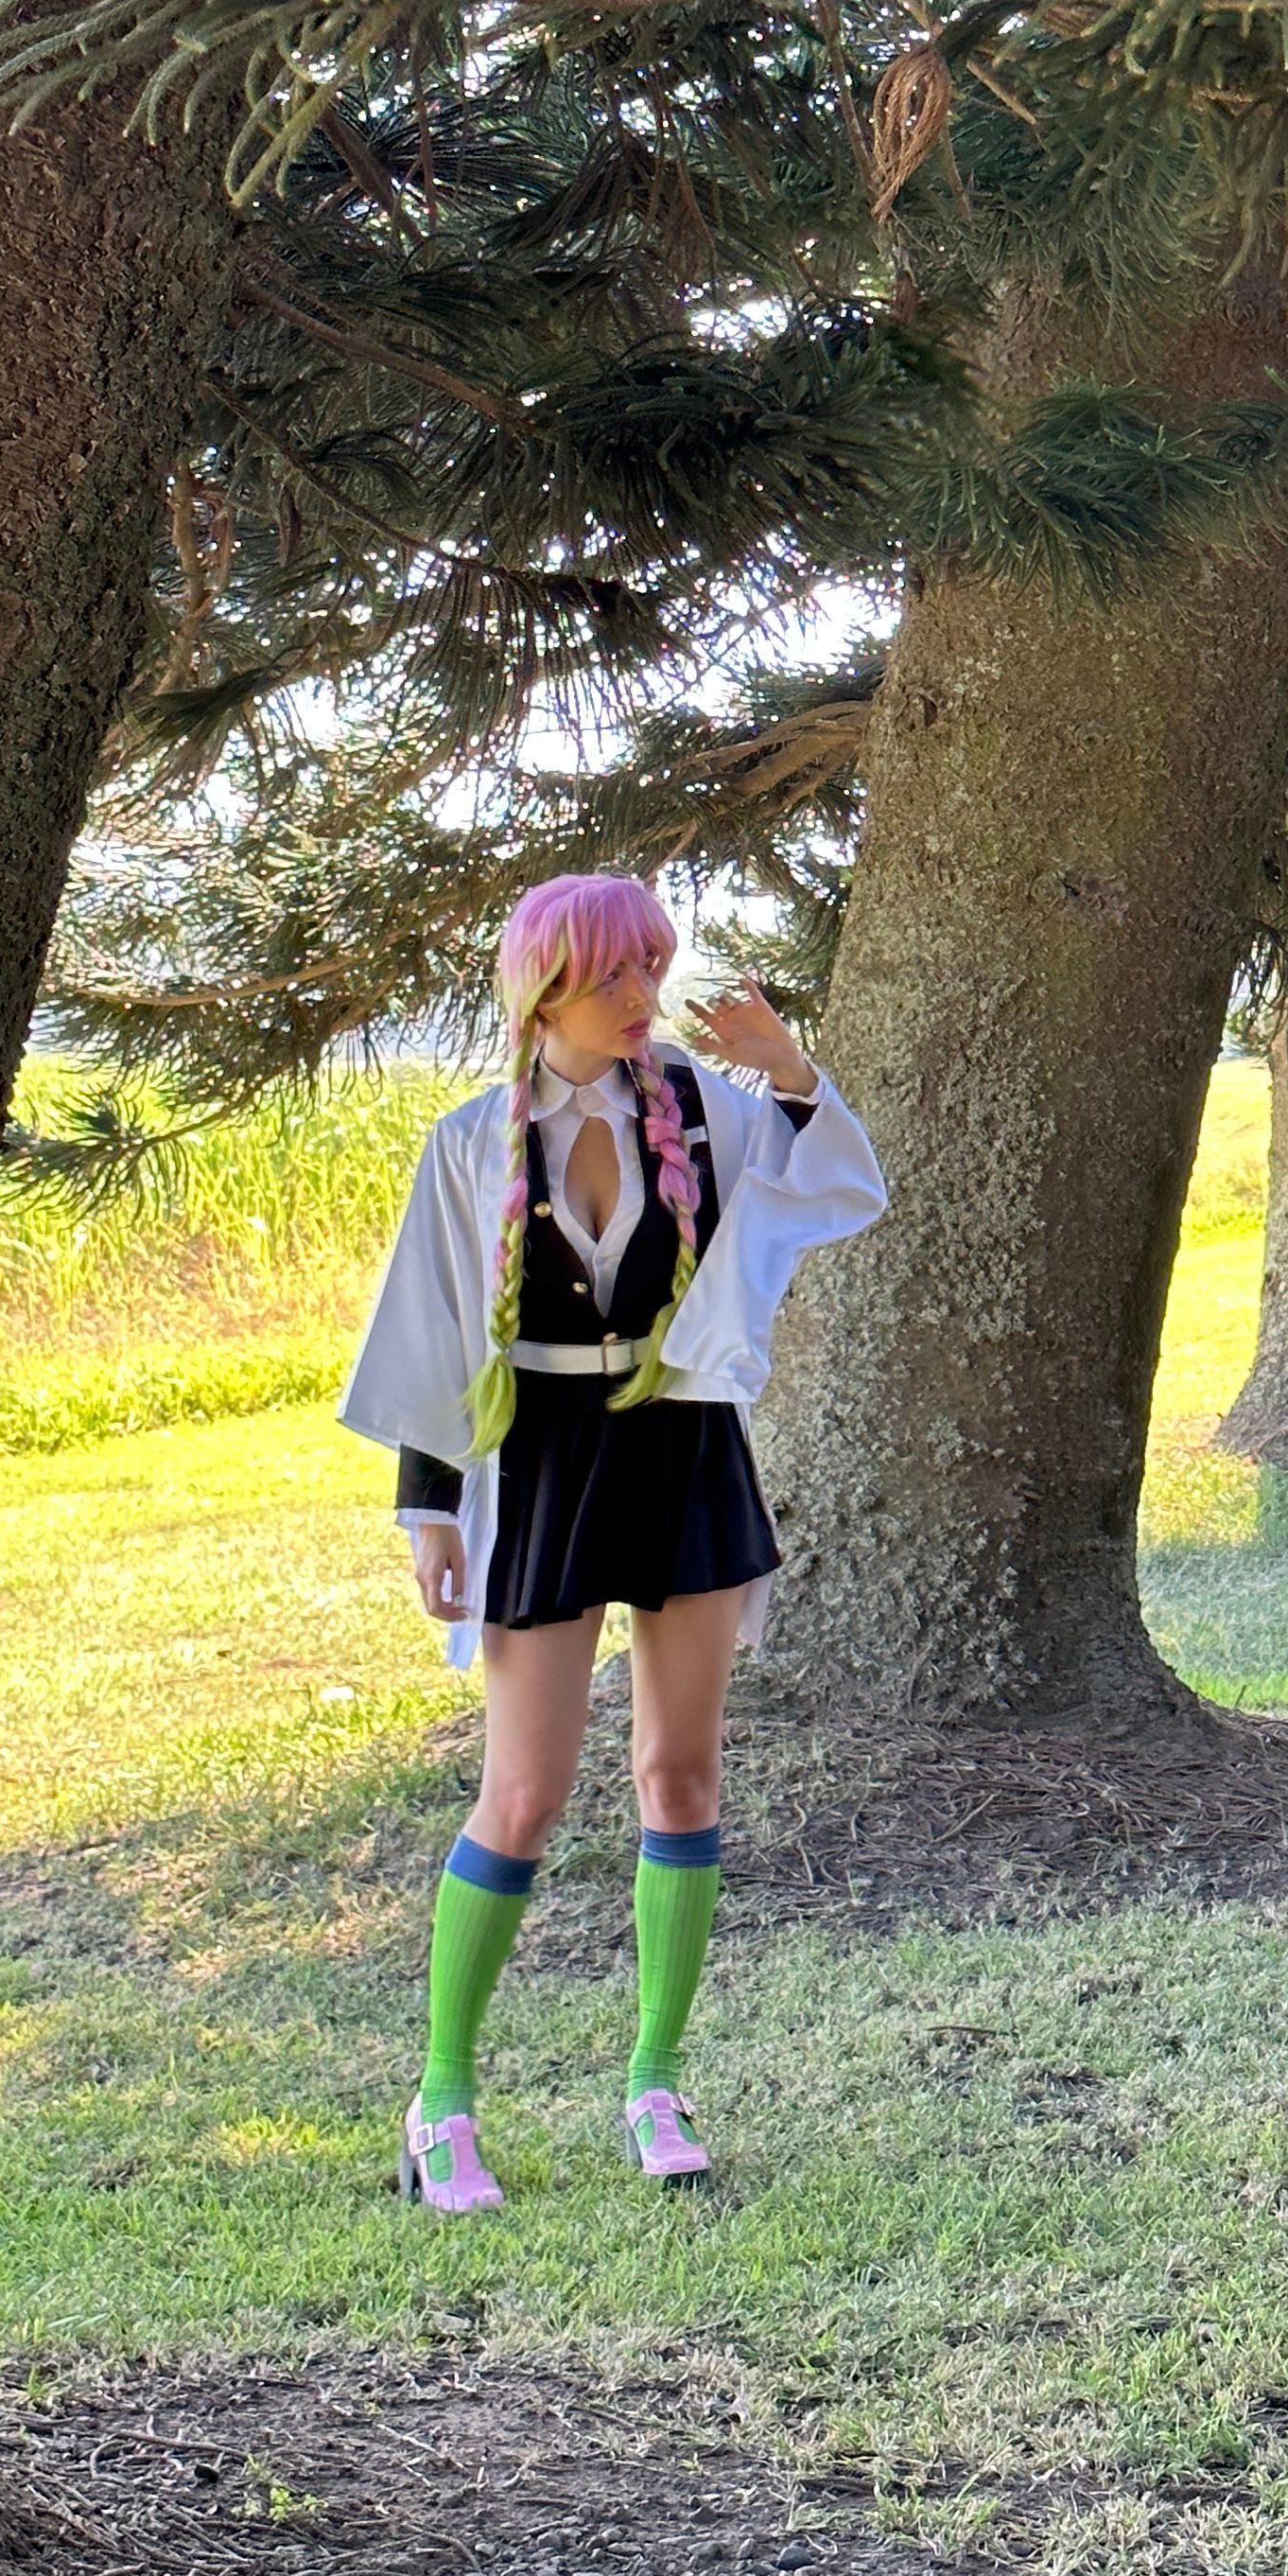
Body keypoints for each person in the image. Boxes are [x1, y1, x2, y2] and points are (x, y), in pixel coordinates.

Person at [339, 873, 885, 2212]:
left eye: (653, 967)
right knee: (523, 1792)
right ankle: (442, 2100)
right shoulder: (473, 1142)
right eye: (615, 976)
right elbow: (434, 1329)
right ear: (545, 992)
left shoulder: (701, 1107)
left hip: (681, 1450)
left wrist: (791, 1070)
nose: (645, 995)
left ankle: (655, 2082)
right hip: (540, 1465)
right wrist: (427, 1509)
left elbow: (830, 1184)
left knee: (679, 1775)